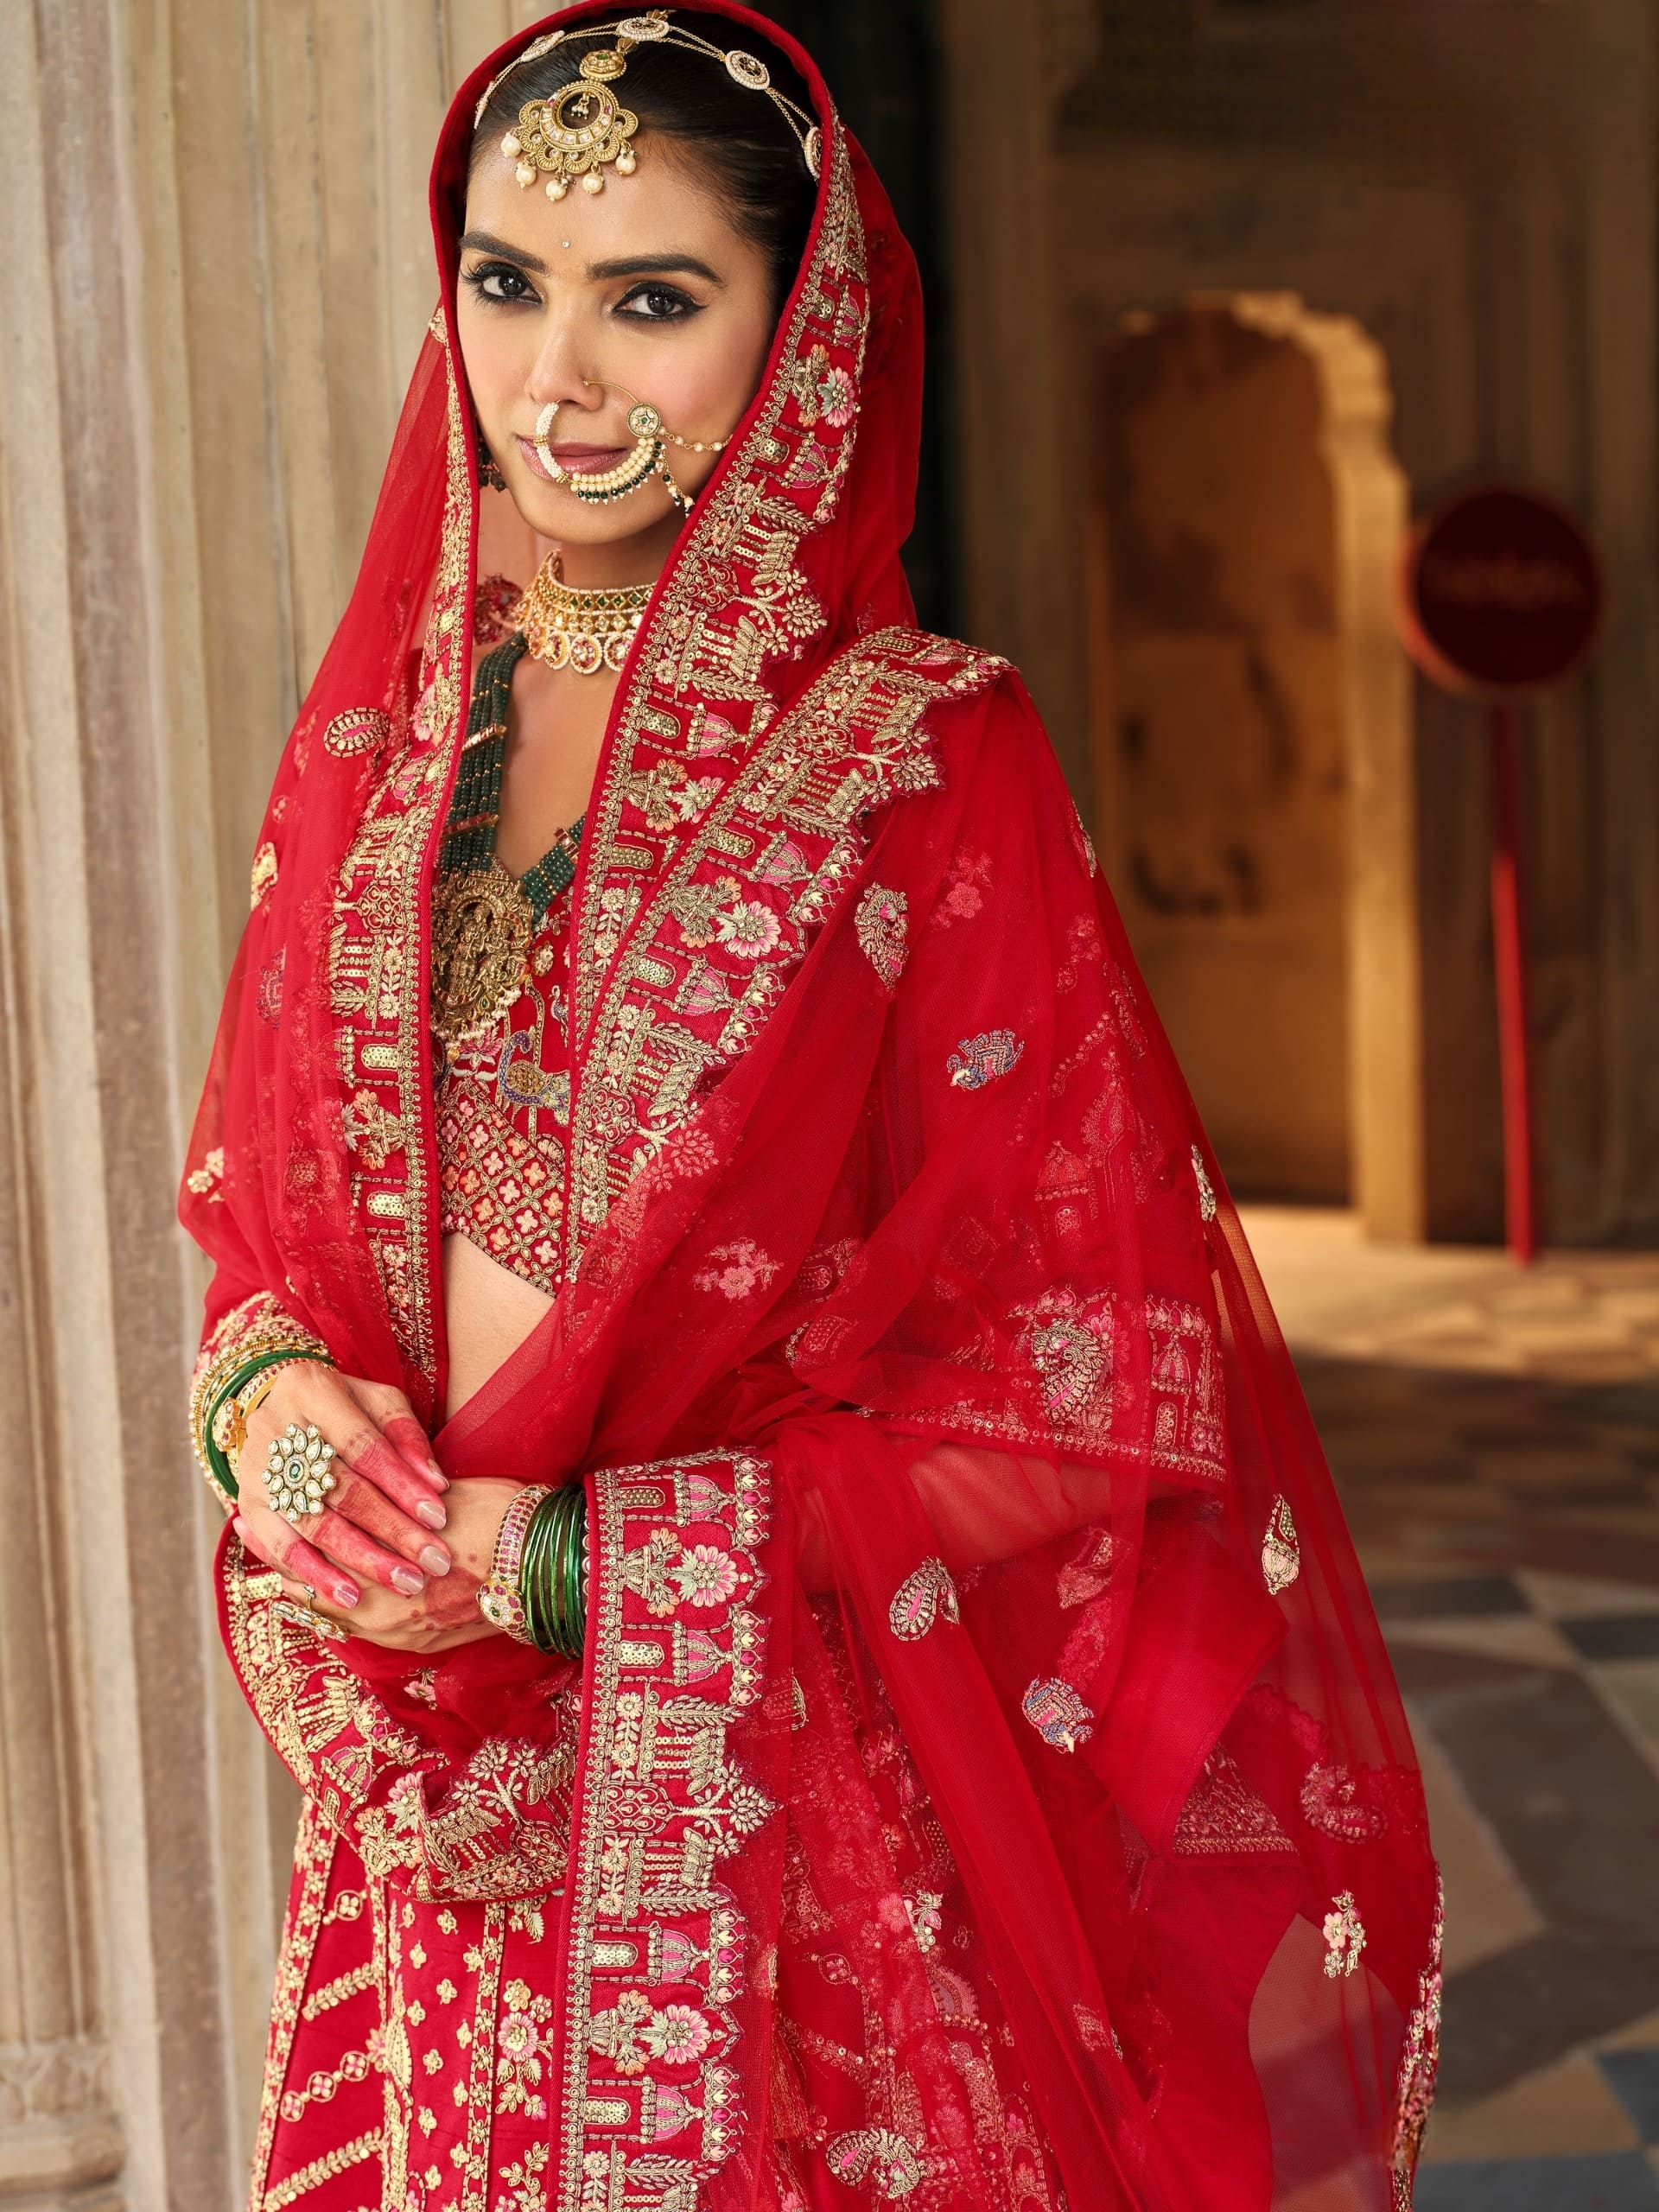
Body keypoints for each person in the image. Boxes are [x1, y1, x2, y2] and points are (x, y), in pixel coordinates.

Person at [180, 8, 1442, 2208]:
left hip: (776, 1839)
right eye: (505, 279)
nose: (555, 380)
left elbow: (1092, 1383)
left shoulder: (928, 758)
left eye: (652, 300)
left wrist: (588, 1555)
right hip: (421, 1839)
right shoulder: (379, 730)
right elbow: (257, 1228)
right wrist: (269, 1412)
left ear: (800, 330)